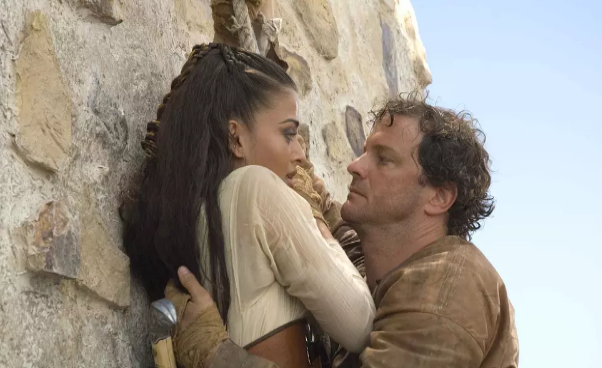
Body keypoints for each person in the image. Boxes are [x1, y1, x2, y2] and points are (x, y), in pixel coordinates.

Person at [166, 93, 520, 368]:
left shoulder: (447, 287)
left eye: (383, 159)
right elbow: (343, 242)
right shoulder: (387, 272)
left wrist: (214, 354)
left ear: (439, 197)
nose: (354, 166)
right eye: (365, 152)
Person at [123, 41, 375, 368]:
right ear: (236, 138)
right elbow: (361, 324)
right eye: (288, 134)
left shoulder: (202, 214)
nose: (300, 155)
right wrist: (315, 216)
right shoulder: (255, 187)